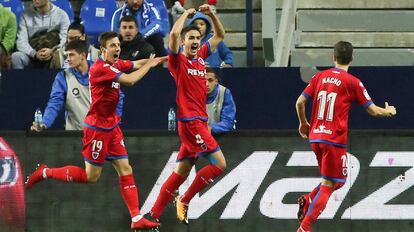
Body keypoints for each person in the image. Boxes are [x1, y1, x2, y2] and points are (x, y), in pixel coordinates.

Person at [25, 31, 167, 230]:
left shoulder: (115, 64)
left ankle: (136, 218)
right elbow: (131, 80)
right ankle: (45, 172)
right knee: (91, 177)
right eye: (113, 46)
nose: (117, 48)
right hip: (97, 129)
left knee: (126, 169)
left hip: (113, 127)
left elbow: (135, 64)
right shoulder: (100, 69)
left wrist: (165, 59)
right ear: (103, 50)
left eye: (118, 45)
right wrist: (151, 65)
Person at [295, 41, 397, 232]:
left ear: (333, 57)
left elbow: (299, 102)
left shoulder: (319, 77)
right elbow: (373, 111)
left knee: (337, 181)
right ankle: (305, 228)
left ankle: (309, 199)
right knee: (329, 184)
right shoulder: (352, 82)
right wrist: (388, 111)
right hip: (333, 140)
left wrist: (303, 123)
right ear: (352, 59)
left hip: (316, 137)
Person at [146, 4, 226, 225]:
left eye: (197, 38)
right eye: (190, 38)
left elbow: (220, 35)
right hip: (191, 123)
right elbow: (172, 34)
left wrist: (210, 14)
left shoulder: (201, 56)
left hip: (198, 122)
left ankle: (153, 215)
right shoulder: (177, 61)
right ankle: (185, 199)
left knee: (181, 172)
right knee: (219, 164)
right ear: (183, 41)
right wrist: (185, 15)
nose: (195, 42)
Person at [29, 39, 115, 131]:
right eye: (67, 55)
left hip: (101, 134)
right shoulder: (63, 77)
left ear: (83, 55)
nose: (68, 59)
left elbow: (116, 97)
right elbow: (55, 103)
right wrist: (44, 123)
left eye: (72, 55)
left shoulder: (102, 72)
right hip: (74, 135)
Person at [11, 0, 70, 69]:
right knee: (16, 56)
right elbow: (21, 42)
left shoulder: (61, 15)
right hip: (32, 56)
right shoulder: (25, 15)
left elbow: (65, 40)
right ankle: (20, 79)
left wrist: (52, 51)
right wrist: (35, 54)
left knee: (62, 55)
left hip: (53, 56)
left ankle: (60, 79)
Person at [206, 68, 236, 134]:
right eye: (203, 80)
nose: (206, 84)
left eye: (210, 80)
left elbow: (228, 122)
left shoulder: (224, 93)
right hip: (200, 137)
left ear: (216, 81)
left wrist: (211, 129)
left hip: (223, 136)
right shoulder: (193, 94)